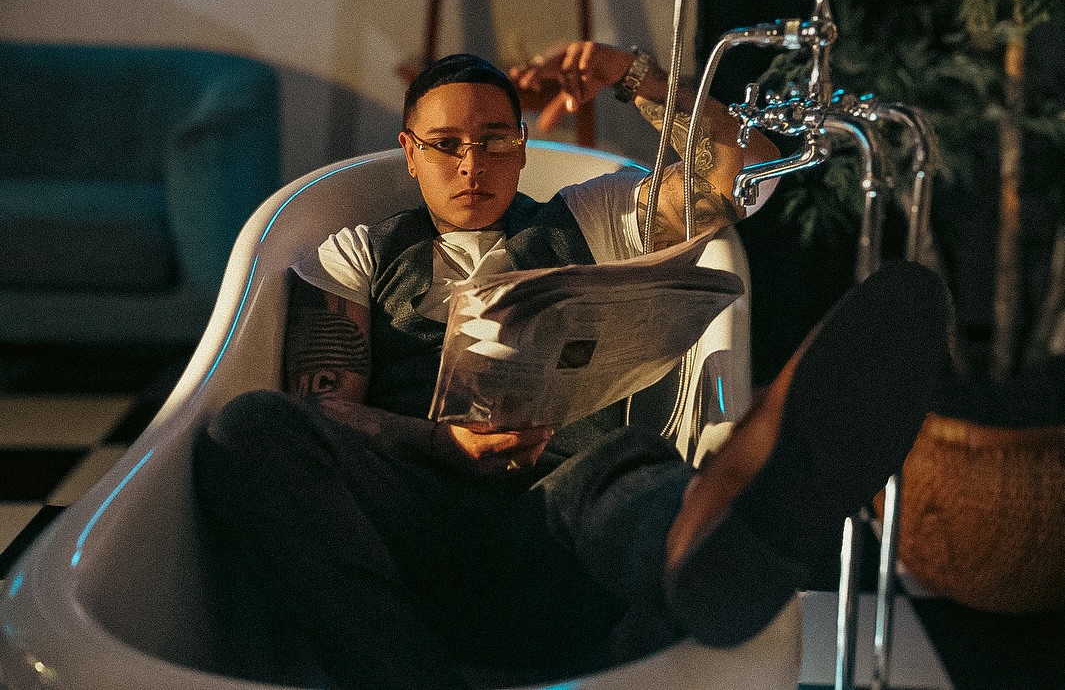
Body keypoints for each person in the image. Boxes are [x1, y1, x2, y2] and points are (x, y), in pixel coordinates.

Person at [194, 42, 950, 689]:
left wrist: (632, 74)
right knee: (249, 427)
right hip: (415, 533)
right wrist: (441, 443)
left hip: (558, 529)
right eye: (446, 144)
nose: (472, 163)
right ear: (410, 151)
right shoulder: (355, 251)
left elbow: (744, 173)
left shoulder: (593, 217)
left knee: (626, 471)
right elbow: (321, 410)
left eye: (495, 140)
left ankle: (718, 536)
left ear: (523, 145)